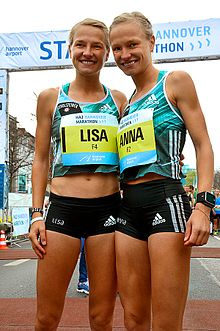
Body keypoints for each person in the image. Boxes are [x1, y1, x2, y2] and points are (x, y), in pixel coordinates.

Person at [109, 12, 215, 330]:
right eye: (117, 48)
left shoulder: (175, 81)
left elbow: (204, 145)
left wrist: (203, 205)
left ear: (151, 42)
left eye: (132, 44)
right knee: (133, 318)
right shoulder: (125, 104)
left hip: (165, 200)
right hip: (127, 208)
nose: (125, 54)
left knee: (167, 322)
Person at [28, 18, 127, 331]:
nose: (88, 52)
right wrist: (35, 214)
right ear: (69, 49)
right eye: (81, 44)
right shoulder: (50, 97)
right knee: (46, 317)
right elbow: (41, 158)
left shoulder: (119, 100)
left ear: (107, 53)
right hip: (62, 210)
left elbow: (132, 150)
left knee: (101, 317)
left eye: (97, 46)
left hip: (108, 211)